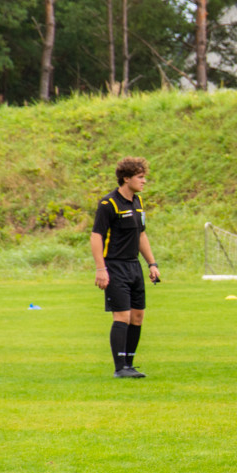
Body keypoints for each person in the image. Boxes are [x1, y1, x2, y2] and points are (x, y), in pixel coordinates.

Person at [90, 156, 161, 379]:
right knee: (122, 316)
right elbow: (96, 236)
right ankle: (120, 368)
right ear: (126, 178)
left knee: (137, 316)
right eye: (140, 177)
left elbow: (141, 235)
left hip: (134, 266)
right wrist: (101, 269)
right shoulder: (108, 204)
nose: (144, 181)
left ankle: (129, 365)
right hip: (114, 266)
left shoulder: (138, 203)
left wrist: (152, 263)